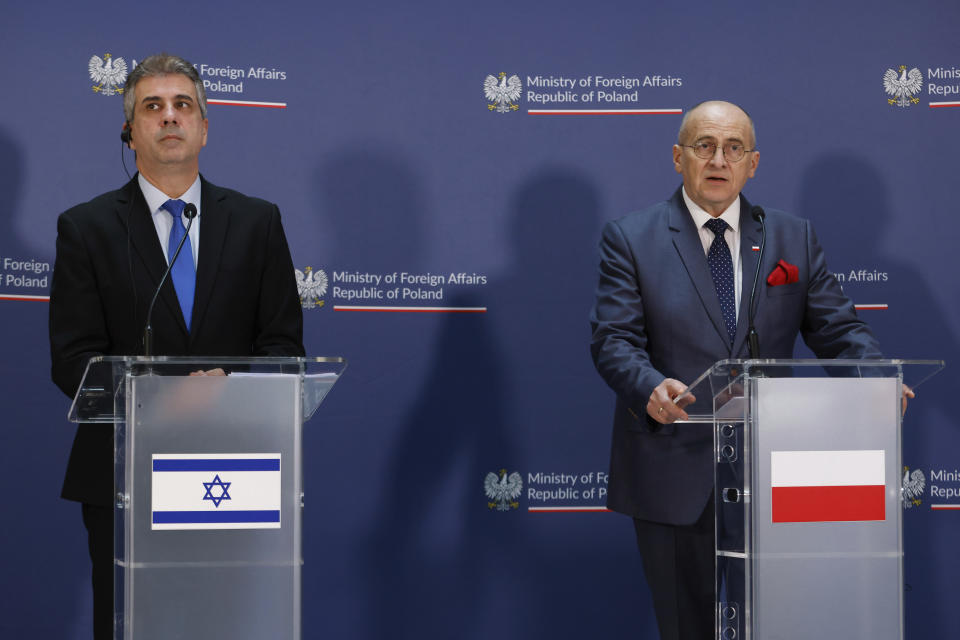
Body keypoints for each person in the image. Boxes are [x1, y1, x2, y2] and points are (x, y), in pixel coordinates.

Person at [589, 100, 904, 639]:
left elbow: (839, 330)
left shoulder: (791, 237)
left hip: (775, 474)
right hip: (675, 467)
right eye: (704, 146)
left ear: (752, 164)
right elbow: (614, 340)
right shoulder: (631, 237)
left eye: (734, 148)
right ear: (677, 157)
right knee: (688, 629)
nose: (719, 159)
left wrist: (875, 381)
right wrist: (649, 387)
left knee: (778, 624)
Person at [49, 53, 304, 639]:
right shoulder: (86, 228)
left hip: (235, 470)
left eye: (182, 105)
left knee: (229, 622)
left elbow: (283, 346)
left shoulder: (257, 222)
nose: (169, 118)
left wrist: (226, 391)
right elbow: (72, 359)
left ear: (205, 128)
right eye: (152, 107)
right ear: (130, 130)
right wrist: (163, 400)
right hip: (126, 474)